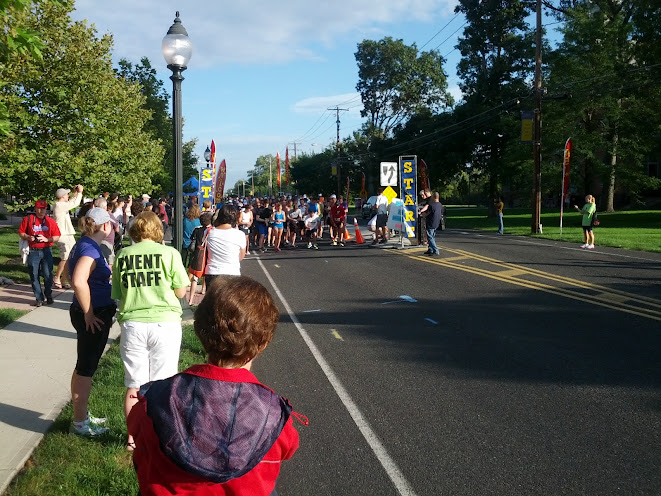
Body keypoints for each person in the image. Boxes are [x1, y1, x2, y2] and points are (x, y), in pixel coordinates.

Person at [128, 276, 303, 496]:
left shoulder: (156, 402)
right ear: (263, 343)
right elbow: (289, 447)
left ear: (200, 330)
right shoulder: (273, 415)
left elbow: (136, 430)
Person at [111, 211, 190, 450]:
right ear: (157, 230)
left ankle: (133, 438)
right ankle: (160, 435)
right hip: (164, 322)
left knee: (134, 384)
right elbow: (181, 291)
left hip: (133, 322)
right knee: (163, 383)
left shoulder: (123, 255)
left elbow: (118, 292)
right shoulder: (169, 253)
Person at [68, 207, 116, 436]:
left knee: (83, 366)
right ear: (104, 226)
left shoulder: (84, 244)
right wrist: (89, 313)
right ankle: (80, 423)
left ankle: (81, 415)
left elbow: (69, 275)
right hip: (93, 315)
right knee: (86, 369)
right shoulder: (90, 249)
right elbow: (78, 280)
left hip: (89, 310)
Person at [18, 199, 61, 306]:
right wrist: (28, 237)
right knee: (34, 275)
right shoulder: (28, 219)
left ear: (46, 209)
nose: (41, 211)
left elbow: (57, 236)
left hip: (46, 250)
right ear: (35, 208)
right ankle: (39, 298)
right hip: (33, 251)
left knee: (47, 274)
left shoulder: (50, 221)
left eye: (43, 209)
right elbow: (21, 233)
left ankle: (48, 295)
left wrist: (47, 239)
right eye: (39, 208)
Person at [204, 204, 246, 287]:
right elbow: (241, 256)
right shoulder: (240, 234)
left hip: (212, 271)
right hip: (232, 272)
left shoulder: (209, 232)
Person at [52, 184, 84, 289]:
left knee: (71, 257)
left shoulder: (62, 204)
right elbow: (74, 203)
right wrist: (80, 192)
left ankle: (63, 280)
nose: (68, 196)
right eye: (66, 194)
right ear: (62, 196)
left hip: (68, 234)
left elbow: (70, 202)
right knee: (65, 258)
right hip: (62, 235)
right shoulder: (59, 205)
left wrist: (75, 193)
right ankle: (56, 277)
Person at [187, 211, 212, 305]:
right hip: (207, 255)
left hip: (198, 255)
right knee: (206, 275)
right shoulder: (211, 231)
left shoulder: (197, 229)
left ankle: (190, 299)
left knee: (195, 278)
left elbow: (192, 239)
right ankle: (203, 289)